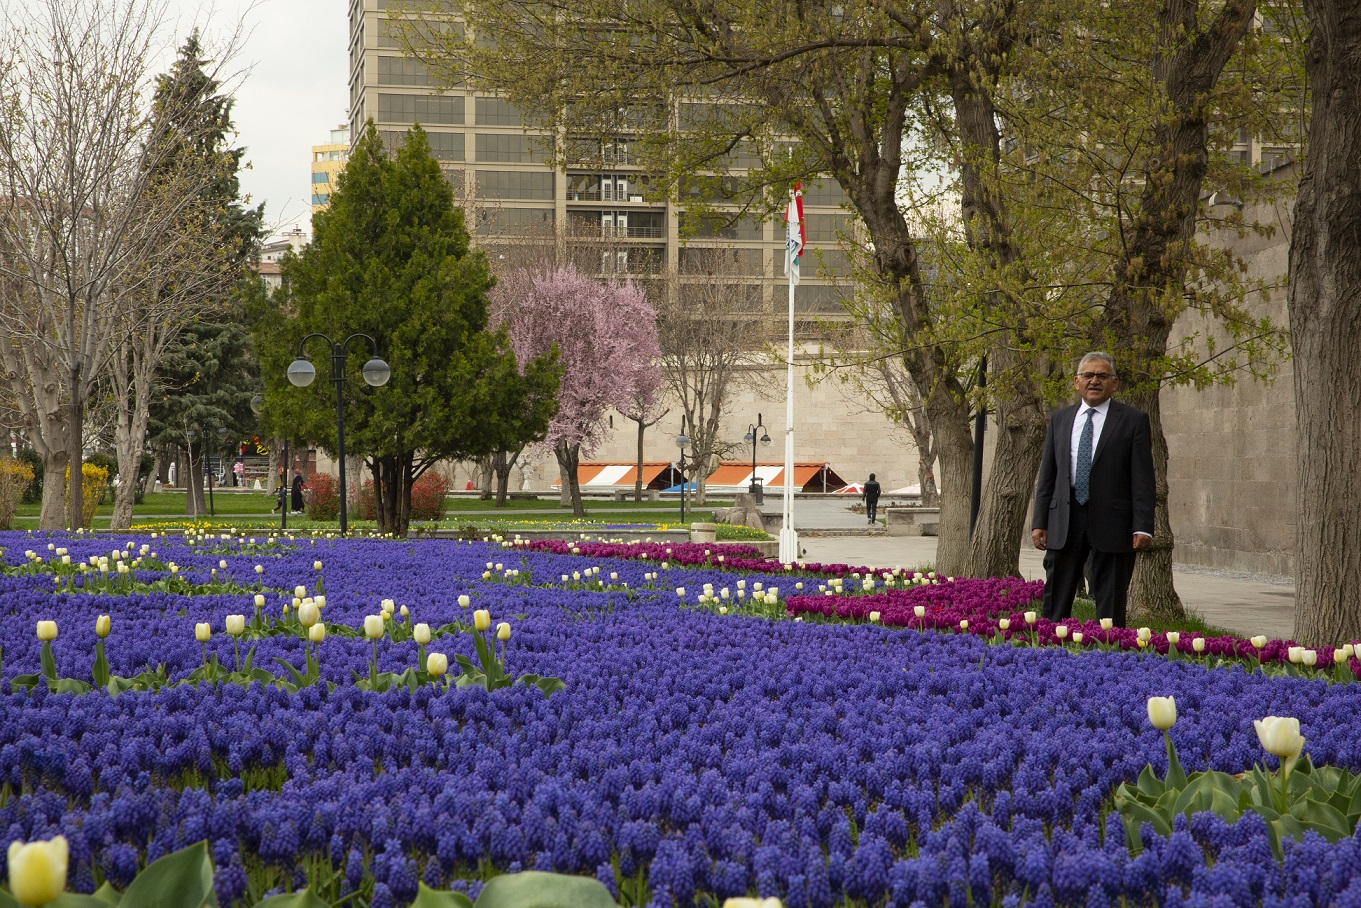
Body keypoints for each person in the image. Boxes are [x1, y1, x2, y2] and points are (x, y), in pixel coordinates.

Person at [1031, 352, 1155, 628]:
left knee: (1110, 599)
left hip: (1113, 522)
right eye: (1088, 375)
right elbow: (1048, 475)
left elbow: (1143, 477)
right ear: (1077, 382)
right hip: (1065, 518)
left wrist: (1143, 526)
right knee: (1056, 597)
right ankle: (1050, 649)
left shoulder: (1133, 420)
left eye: (1102, 376)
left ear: (1115, 383)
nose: (1094, 381)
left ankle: (1109, 655)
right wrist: (1040, 520)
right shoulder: (1060, 420)